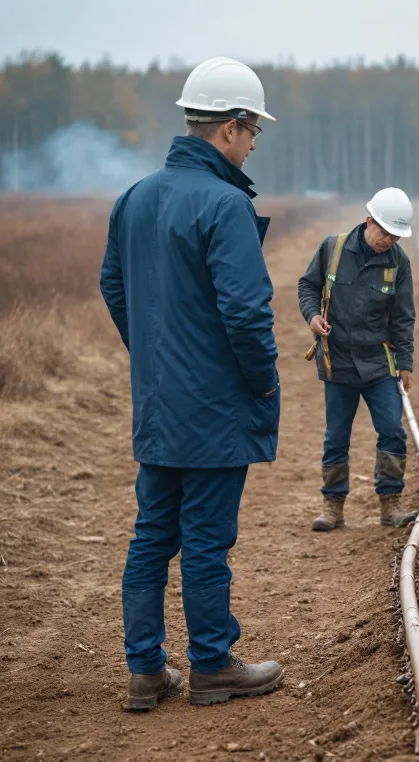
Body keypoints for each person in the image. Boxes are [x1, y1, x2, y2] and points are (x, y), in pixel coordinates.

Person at [100, 57, 283, 711]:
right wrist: (262, 382)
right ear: (230, 128)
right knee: (207, 537)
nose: (255, 142)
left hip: (158, 403)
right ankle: (210, 666)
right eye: (253, 130)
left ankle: (145, 671)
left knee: (153, 533)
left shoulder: (135, 197)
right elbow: (245, 311)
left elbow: (113, 287)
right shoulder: (226, 203)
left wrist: (152, 354)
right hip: (212, 409)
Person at [297, 188, 417, 532]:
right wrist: (311, 316)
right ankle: (332, 506)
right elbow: (307, 287)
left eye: (396, 235)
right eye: (385, 233)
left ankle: (390, 504)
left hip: (380, 363)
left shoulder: (399, 263)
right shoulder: (332, 250)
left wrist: (405, 363)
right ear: (369, 222)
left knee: (392, 430)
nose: (389, 240)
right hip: (338, 363)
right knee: (336, 436)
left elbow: (403, 318)